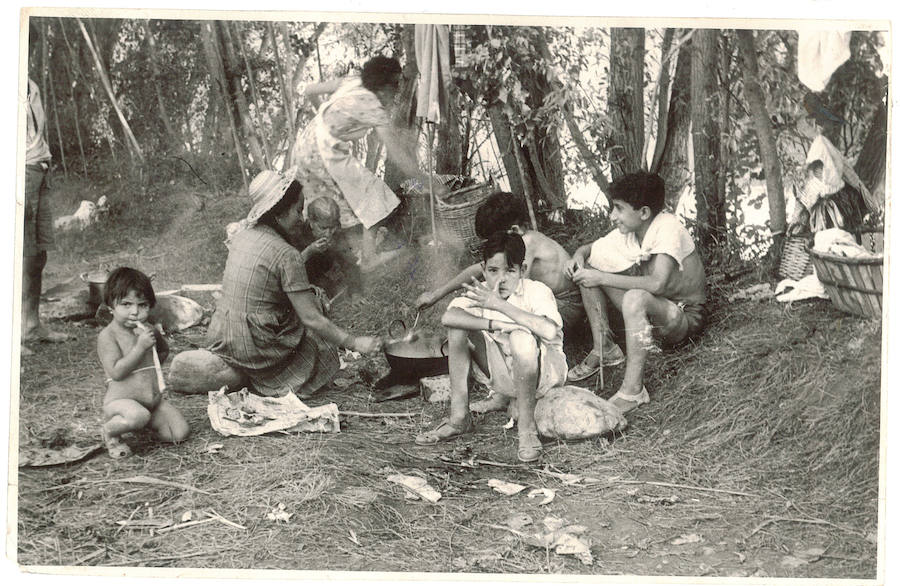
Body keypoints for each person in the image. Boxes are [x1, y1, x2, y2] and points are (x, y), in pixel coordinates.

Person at [208, 169, 383, 398]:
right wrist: (354, 342)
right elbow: (311, 318)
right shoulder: (286, 253)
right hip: (254, 347)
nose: (301, 219)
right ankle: (272, 377)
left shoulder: (243, 236)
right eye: (297, 211)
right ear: (279, 213)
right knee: (317, 328)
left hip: (224, 334)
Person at [415, 232, 567, 463]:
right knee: (458, 328)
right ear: (484, 269)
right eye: (494, 271)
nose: (501, 279)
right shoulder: (483, 290)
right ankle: (459, 418)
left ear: (523, 270)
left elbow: (548, 331)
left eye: (510, 271)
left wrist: (499, 307)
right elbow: (449, 317)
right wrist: (495, 323)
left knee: (521, 337)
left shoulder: (537, 291)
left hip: (544, 376)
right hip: (507, 376)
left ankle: (527, 430)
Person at [566, 171, 706, 414]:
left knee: (633, 295)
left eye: (619, 209)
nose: (613, 216)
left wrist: (601, 277)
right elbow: (590, 250)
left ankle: (633, 391)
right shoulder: (635, 230)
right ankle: (605, 348)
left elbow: (658, 284)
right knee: (587, 270)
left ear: (643, 212)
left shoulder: (667, 227)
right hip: (656, 312)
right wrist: (578, 257)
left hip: (681, 318)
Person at [291, 56, 448, 270]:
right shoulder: (373, 105)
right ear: (382, 88)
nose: (396, 93)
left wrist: (324, 116)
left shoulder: (352, 81)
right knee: (373, 193)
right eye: (394, 87)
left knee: (336, 200)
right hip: (325, 151)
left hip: (305, 144)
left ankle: (346, 253)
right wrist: (427, 181)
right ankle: (369, 259)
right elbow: (397, 155)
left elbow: (309, 90)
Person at [416, 190, 585, 338]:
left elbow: (515, 290)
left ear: (513, 230)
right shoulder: (518, 239)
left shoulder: (528, 242)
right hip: (550, 300)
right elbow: (478, 270)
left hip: (566, 306)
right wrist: (436, 294)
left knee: (500, 306)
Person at [98, 267, 190, 459]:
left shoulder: (148, 331)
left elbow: (163, 351)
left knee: (177, 434)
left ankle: (141, 423)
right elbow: (116, 372)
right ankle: (110, 431)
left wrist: (152, 368)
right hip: (121, 402)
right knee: (138, 416)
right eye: (126, 304)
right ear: (110, 307)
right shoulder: (108, 336)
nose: (135, 312)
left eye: (143, 305)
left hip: (151, 402)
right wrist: (140, 348)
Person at [22, 78, 69, 355]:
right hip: (20, 172)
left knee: (37, 254)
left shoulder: (31, 85)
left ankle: (31, 325)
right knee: (17, 256)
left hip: (40, 169)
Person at [291, 196, 362, 301]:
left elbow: (349, 263)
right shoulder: (298, 234)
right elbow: (291, 271)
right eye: (323, 228)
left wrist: (355, 293)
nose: (328, 234)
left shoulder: (336, 232)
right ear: (311, 222)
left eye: (332, 227)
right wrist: (310, 251)